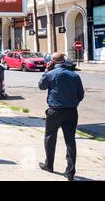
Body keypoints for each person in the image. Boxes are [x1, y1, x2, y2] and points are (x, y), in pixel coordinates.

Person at [38, 53, 85, 181]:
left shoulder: (51, 74)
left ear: (52, 62)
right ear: (63, 61)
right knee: (70, 140)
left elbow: (41, 86)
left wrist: (47, 71)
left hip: (55, 111)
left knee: (50, 136)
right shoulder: (75, 75)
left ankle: (49, 165)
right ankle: (70, 172)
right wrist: (72, 102)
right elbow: (81, 94)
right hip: (71, 111)